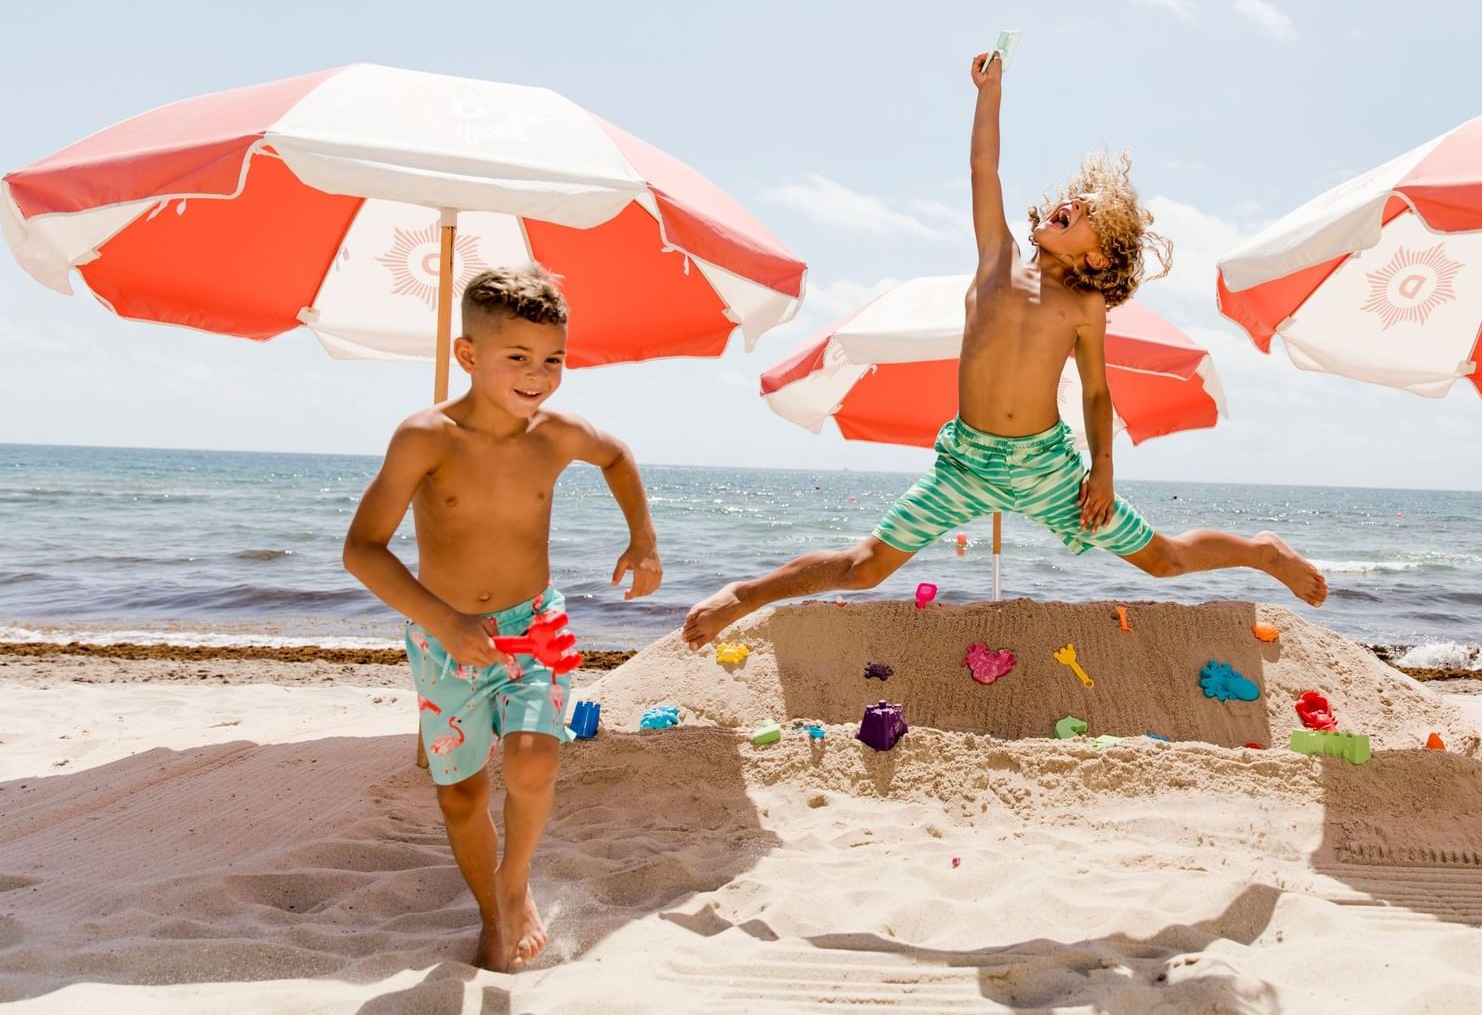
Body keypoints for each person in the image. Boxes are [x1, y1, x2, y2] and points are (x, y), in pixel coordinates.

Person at [681, 52, 1325, 649]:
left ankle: (1263, 552)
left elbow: (1098, 392)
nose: (1068, 202)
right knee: (865, 566)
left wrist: (1103, 470)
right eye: (1072, 200)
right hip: (967, 461)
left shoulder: (1084, 308)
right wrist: (990, 94)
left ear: (1098, 254)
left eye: (1086, 210)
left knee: (1164, 559)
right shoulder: (997, 261)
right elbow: (983, 168)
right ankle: (745, 596)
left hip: (1047, 469)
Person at [343, 266, 662, 970]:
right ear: (468, 356)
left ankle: (514, 887)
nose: (537, 375)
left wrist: (643, 537)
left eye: (552, 359)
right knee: (460, 797)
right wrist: (444, 621)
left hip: (533, 625)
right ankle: (493, 909)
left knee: (533, 759)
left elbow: (617, 456)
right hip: (443, 634)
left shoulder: (558, 434)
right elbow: (361, 549)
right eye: (516, 357)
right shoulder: (425, 438)